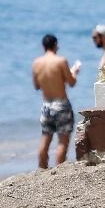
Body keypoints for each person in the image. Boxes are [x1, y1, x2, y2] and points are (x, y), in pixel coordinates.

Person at [31, 33, 80, 169]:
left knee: (45, 138)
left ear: (43, 47)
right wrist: (75, 71)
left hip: (46, 105)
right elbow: (71, 82)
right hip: (61, 105)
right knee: (62, 140)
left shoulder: (36, 63)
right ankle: (59, 170)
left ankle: (42, 169)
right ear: (55, 45)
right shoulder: (61, 61)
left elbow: (36, 86)